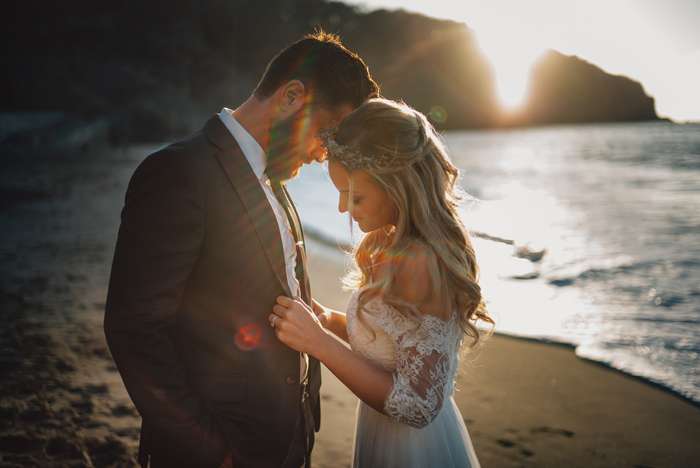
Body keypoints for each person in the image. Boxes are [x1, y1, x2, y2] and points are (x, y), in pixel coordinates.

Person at [104, 31, 378, 468]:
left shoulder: (275, 178)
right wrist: (212, 451)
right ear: (292, 97)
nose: (324, 155)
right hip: (223, 444)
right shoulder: (178, 172)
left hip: (290, 434)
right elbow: (134, 328)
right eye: (327, 134)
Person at [269, 98, 494, 467]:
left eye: (355, 196)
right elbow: (388, 341)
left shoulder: (421, 263)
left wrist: (320, 344)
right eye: (340, 193)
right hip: (382, 433)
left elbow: (419, 405)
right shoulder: (388, 243)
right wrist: (325, 320)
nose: (343, 209)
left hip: (413, 450)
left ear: (398, 187)